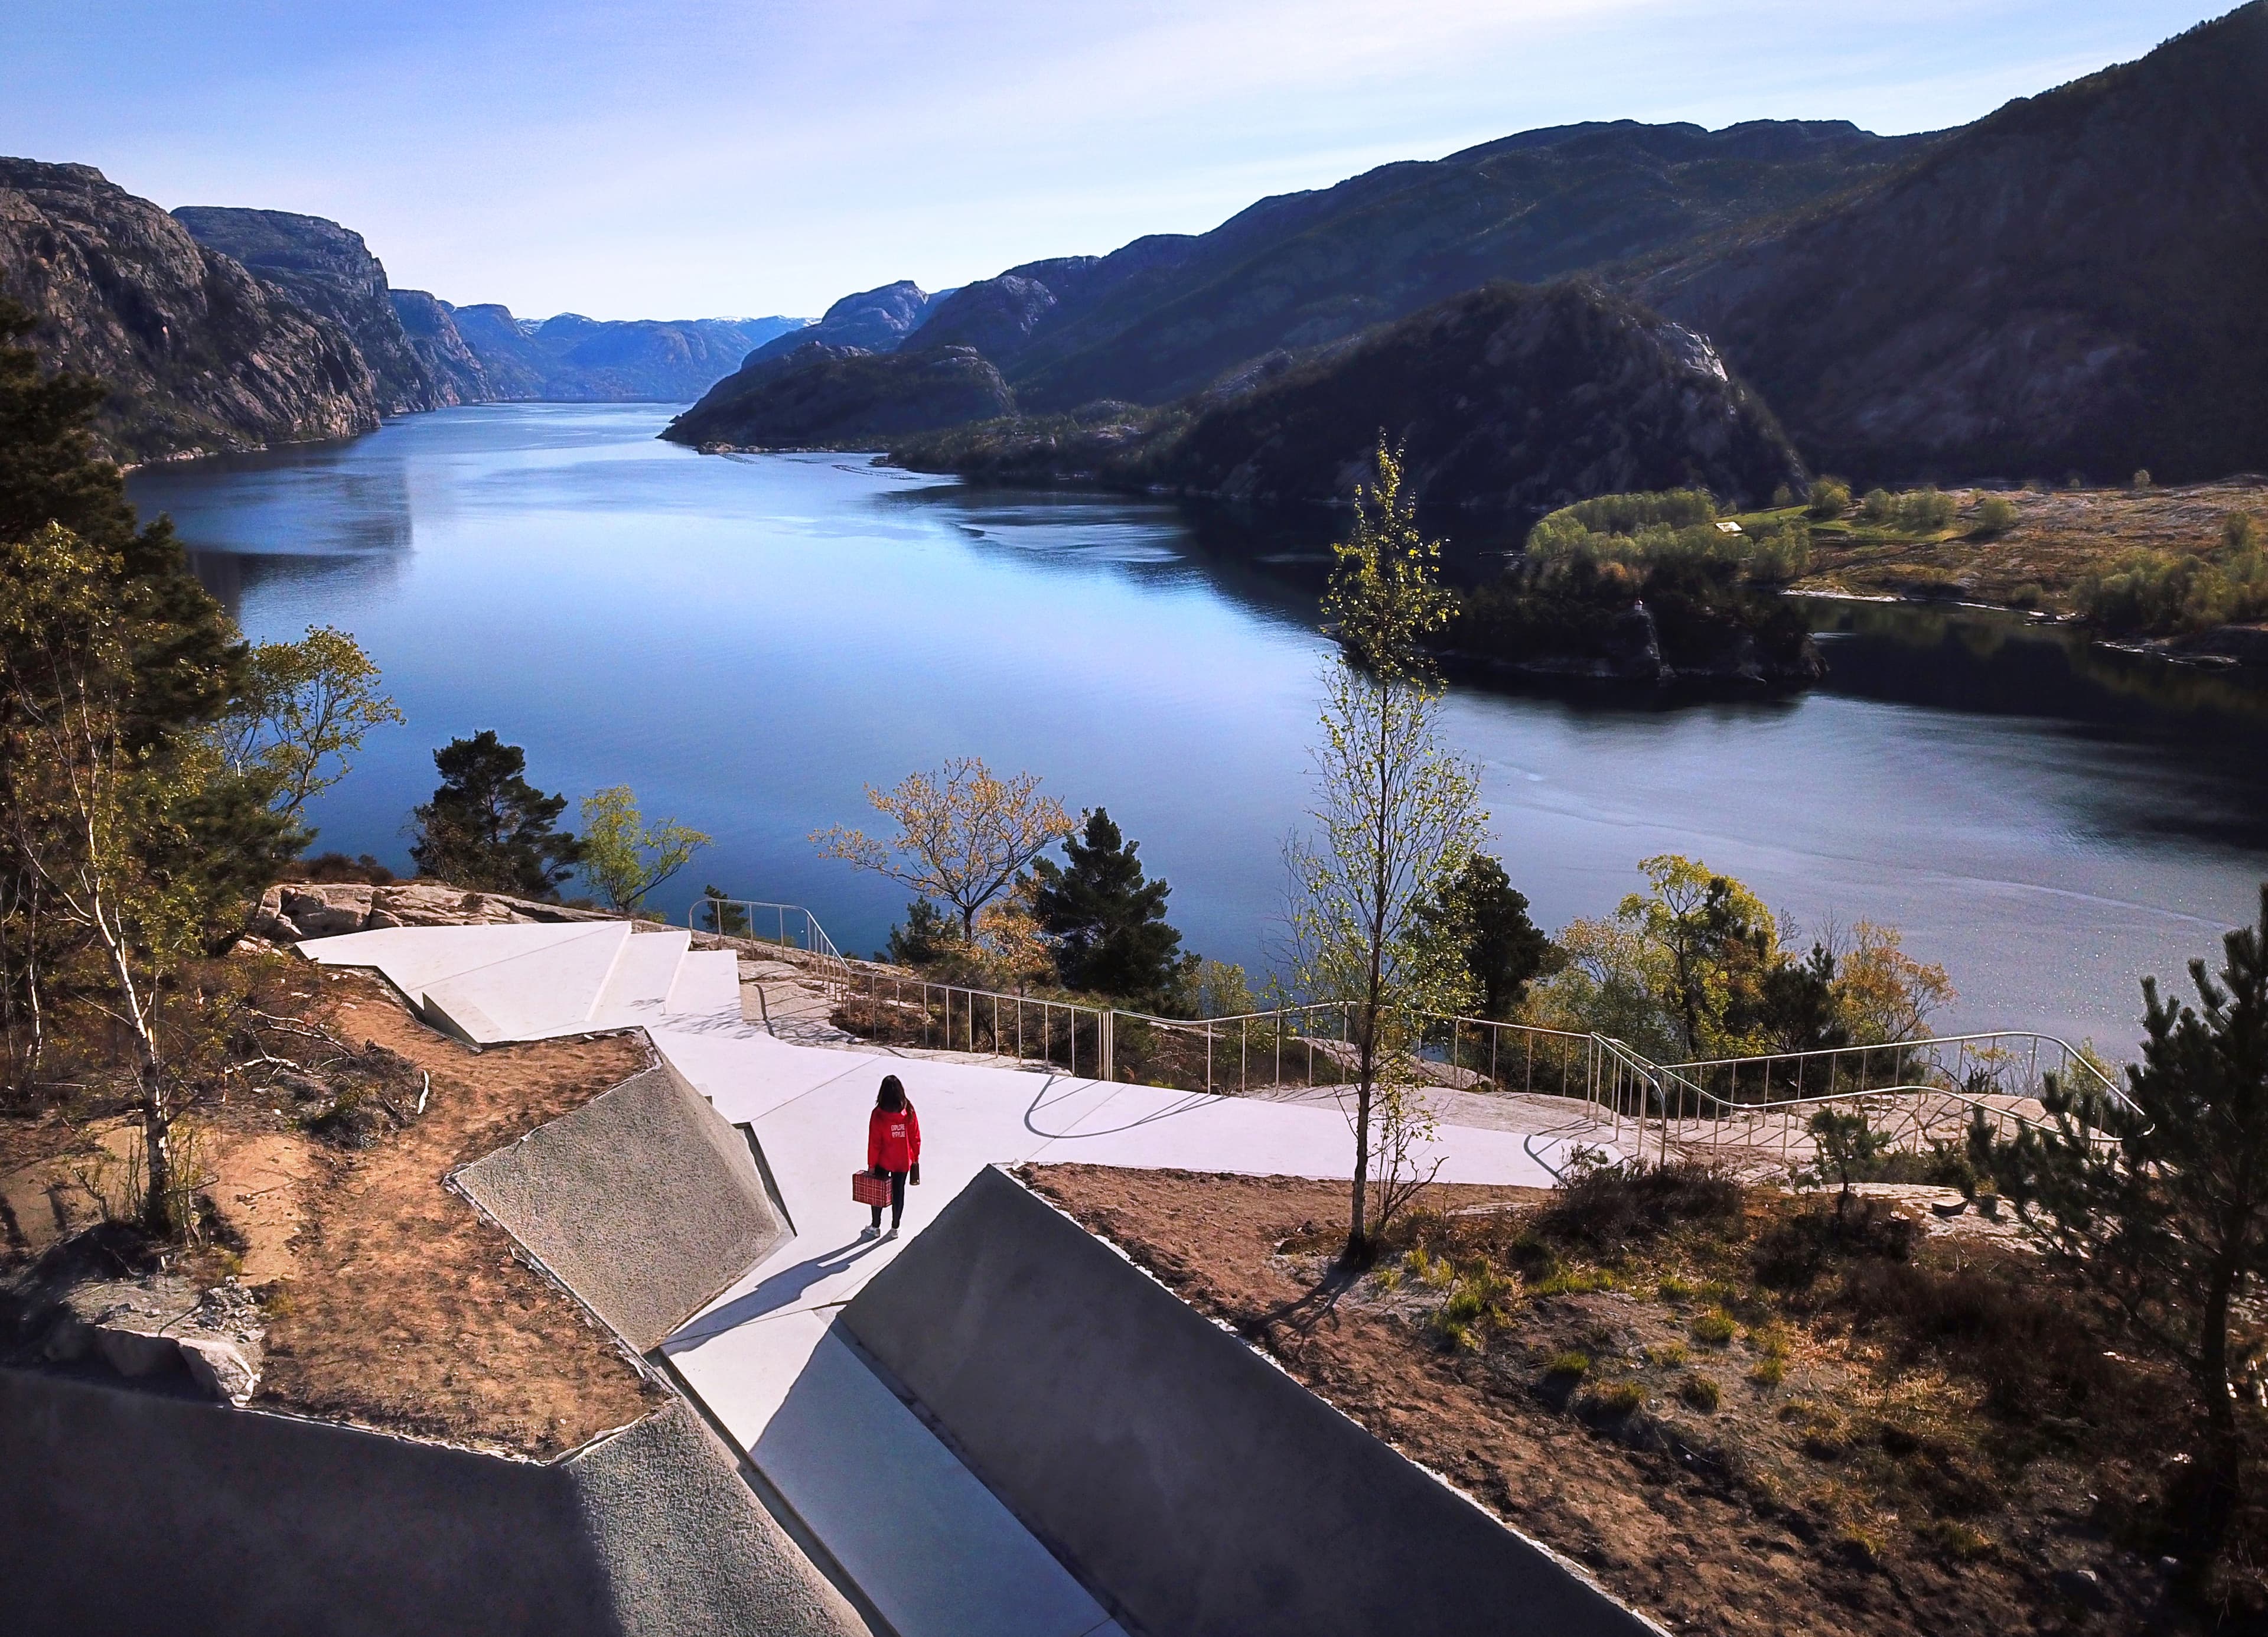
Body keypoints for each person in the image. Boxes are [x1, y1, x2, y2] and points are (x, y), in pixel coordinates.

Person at [862, 1074, 921, 1241]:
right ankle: (895, 1227)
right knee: (899, 1193)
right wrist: (915, 1157)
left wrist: (871, 1165)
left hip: (883, 1160)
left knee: (878, 1193)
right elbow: (915, 1135)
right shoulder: (908, 1110)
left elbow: (874, 1142)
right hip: (903, 1160)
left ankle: (875, 1226)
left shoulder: (878, 1114)